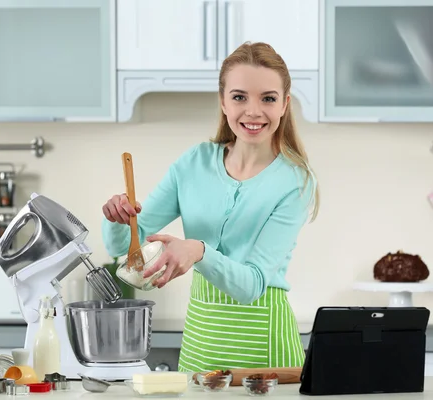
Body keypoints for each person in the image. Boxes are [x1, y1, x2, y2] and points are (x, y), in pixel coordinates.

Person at [100, 41, 320, 372]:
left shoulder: (295, 181)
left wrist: (200, 251)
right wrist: (119, 218)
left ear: (285, 104)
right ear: (223, 101)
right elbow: (122, 247)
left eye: (268, 99)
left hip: (266, 353)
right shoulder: (194, 164)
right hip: (201, 346)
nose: (253, 111)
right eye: (239, 96)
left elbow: (253, 285)